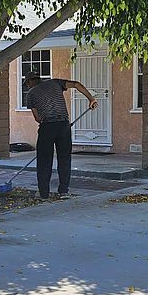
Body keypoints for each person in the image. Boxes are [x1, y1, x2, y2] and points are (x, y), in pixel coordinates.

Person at [22, 70, 98, 199]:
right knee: (64, 159)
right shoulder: (55, 83)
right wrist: (91, 99)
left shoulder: (31, 94)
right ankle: (63, 191)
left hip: (47, 126)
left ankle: (43, 194)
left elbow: (37, 118)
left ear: (29, 82)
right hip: (63, 125)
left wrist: (47, 125)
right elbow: (76, 84)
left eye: (27, 84)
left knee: (44, 161)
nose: (28, 86)